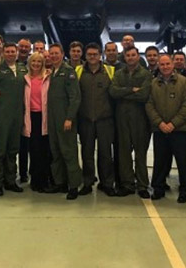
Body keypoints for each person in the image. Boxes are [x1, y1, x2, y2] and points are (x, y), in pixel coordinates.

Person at [146, 54, 186, 203]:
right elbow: (149, 105)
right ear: (159, 66)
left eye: (168, 64)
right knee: (160, 161)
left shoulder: (184, 82)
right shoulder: (153, 83)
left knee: (183, 162)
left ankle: (185, 190)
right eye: (162, 64)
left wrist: (173, 124)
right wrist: (159, 123)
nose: (165, 67)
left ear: (173, 65)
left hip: (180, 130)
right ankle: (158, 188)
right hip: (160, 130)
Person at [109, 46, 152, 198]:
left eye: (133, 55)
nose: (131, 58)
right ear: (124, 57)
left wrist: (124, 93)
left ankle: (142, 185)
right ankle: (127, 184)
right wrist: (131, 89)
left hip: (140, 118)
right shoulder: (119, 73)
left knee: (141, 153)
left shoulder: (146, 74)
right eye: (128, 55)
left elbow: (144, 95)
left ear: (137, 56)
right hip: (122, 118)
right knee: (124, 153)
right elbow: (113, 92)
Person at [0, 43, 28, 196]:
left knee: (13, 150)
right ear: (3, 53)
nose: (10, 54)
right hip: (1, 117)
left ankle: (10, 180)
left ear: (17, 53)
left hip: (18, 117)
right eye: (8, 51)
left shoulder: (24, 69)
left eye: (13, 51)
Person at [76, 43, 116, 196]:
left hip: (105, 120)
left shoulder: (110, 71)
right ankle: (87, 182)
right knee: (87, 153)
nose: (92, 57)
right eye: (89, 54)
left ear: (101, 55)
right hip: (85, 120)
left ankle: (107, 183)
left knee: (106, 153)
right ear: (85, 56)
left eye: (95, 54)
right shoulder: (78, 71)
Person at [47, 43, 83, 200]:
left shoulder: (68, 72)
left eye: (56, 53)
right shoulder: (52, 73)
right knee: (56, 152)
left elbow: (75, 97)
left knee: (68, 152)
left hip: (65, 120)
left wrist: (69, 118)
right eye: (51, 54)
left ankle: (73, 186)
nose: (54, 56)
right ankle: (60, 182)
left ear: (62, 54)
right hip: (52, 120)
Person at [23, 52, 52, 192]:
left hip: (45, 117)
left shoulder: (49, 77)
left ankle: (45, 180)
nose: (36, 64)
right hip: (31, 117)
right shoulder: (24, 79)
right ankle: (35, 180)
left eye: (39, 62)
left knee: (45, 150)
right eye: (33, 61)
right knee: (34, 150)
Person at [16, 38, 33, 180]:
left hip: (33, 110)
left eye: (26, 47)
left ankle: (32, 171)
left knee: (33, 145)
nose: (23, 49)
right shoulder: (12, 64)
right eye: (21, 46)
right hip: (17, 110)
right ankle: (22, 173)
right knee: (22, 145)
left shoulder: (32, 65)